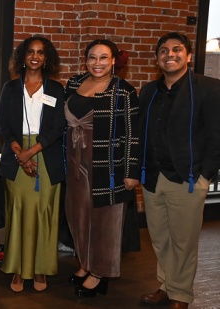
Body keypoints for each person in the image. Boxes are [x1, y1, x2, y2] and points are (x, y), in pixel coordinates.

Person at [138, 32, 220, 309]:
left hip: (187, 178)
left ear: (187, 55)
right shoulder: (149, 91)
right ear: (158, 57)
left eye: (176, 50)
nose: (169, 54)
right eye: (163, 50)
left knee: (184, 242)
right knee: (160, 239)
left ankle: (181, 294)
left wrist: (204, 175)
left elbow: (216, 136)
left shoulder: (209, 88)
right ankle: (165, 285)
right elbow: (141, 135)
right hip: (152, 177)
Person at [64, 39, 139, 298]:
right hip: (75, 163)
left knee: (105, 221)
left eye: (104, 58)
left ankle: (100, 272)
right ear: (85, 60)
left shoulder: (124, 92)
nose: (98, 63)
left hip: (107, 166)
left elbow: (132, 134)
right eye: (93, 58)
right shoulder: (74, 84)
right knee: (79, 216)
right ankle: (86, 263)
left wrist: (131, 172)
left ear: (114, 61)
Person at [0, 36, 65, 293]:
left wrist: (32, 152)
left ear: (46, 58)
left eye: (40, 52)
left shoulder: (57, 90)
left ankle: (39, 269)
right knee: (18, 213)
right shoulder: (10, 88)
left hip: (46, 155)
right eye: (30, 52)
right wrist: (19, 153)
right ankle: (17, 269)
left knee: (44, 214)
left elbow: (58, 126)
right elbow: (3, 123)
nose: (35, 56)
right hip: (16, 156)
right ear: (23, 57)